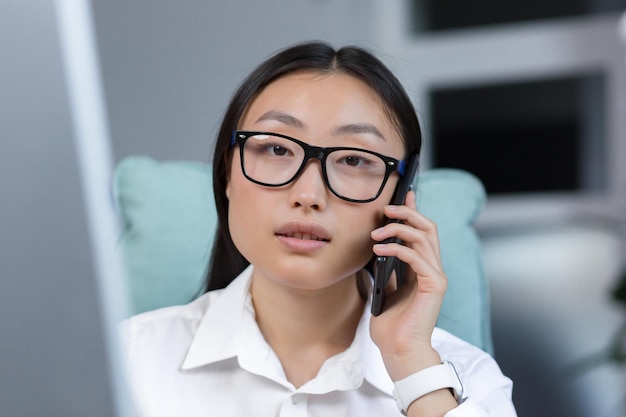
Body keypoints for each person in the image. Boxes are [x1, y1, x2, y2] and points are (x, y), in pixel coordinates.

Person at [121, 41, 517, 417]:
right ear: (227, 174)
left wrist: (412, 365)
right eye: (277, 149)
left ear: (400, 195)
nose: (308, 194)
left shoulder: (468, 382)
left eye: (354, 160)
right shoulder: (130, 358)